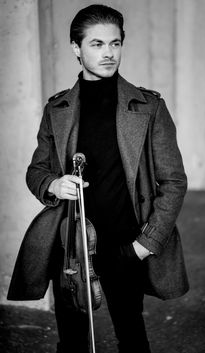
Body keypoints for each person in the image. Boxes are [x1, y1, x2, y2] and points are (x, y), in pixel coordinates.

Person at [8, 4, 189, 353]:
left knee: (132, 336)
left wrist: (142, 247)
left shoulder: (148, 107)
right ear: (76, 48)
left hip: (126, 243)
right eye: (97, 44)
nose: (109, 53)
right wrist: (53, 185)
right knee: (73, 341)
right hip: (72, 246)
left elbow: (174, 182)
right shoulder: (57, 109)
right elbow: (36, 171)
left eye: (115, 43)